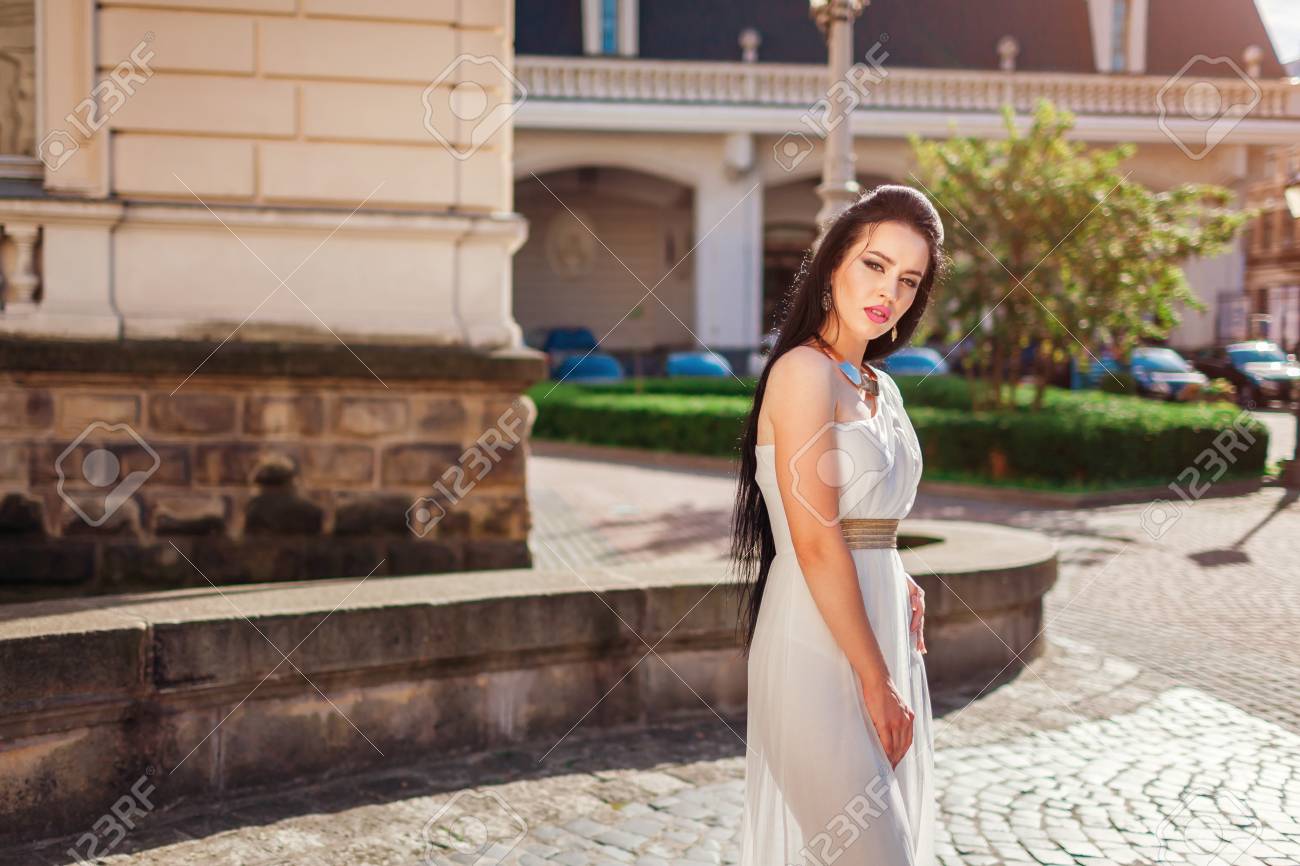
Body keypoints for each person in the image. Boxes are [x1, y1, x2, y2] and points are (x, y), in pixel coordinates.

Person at [732, 184, 948, 865]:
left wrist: (897, 570)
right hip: (817, 645)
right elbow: (818, 542)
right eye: (874, 265)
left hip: (881, 633)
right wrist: (876, 681)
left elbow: (866, 519)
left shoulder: (881, 386)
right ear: (832, 267)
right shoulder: (802, 373)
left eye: (909, 279)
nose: (891, 291)